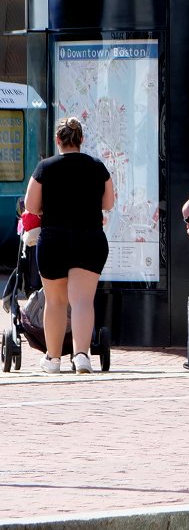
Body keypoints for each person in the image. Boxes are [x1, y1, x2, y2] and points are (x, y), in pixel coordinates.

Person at [23, 116, 115, 374]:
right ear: (81, 139)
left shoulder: (45, 167)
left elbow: (30, 205)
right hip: (90, 238)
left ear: (58, 140)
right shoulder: (97, 166)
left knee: (55, 301)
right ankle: (82, 356)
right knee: (83, 300)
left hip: (54, 240)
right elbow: (108, 203)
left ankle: (53, 359)